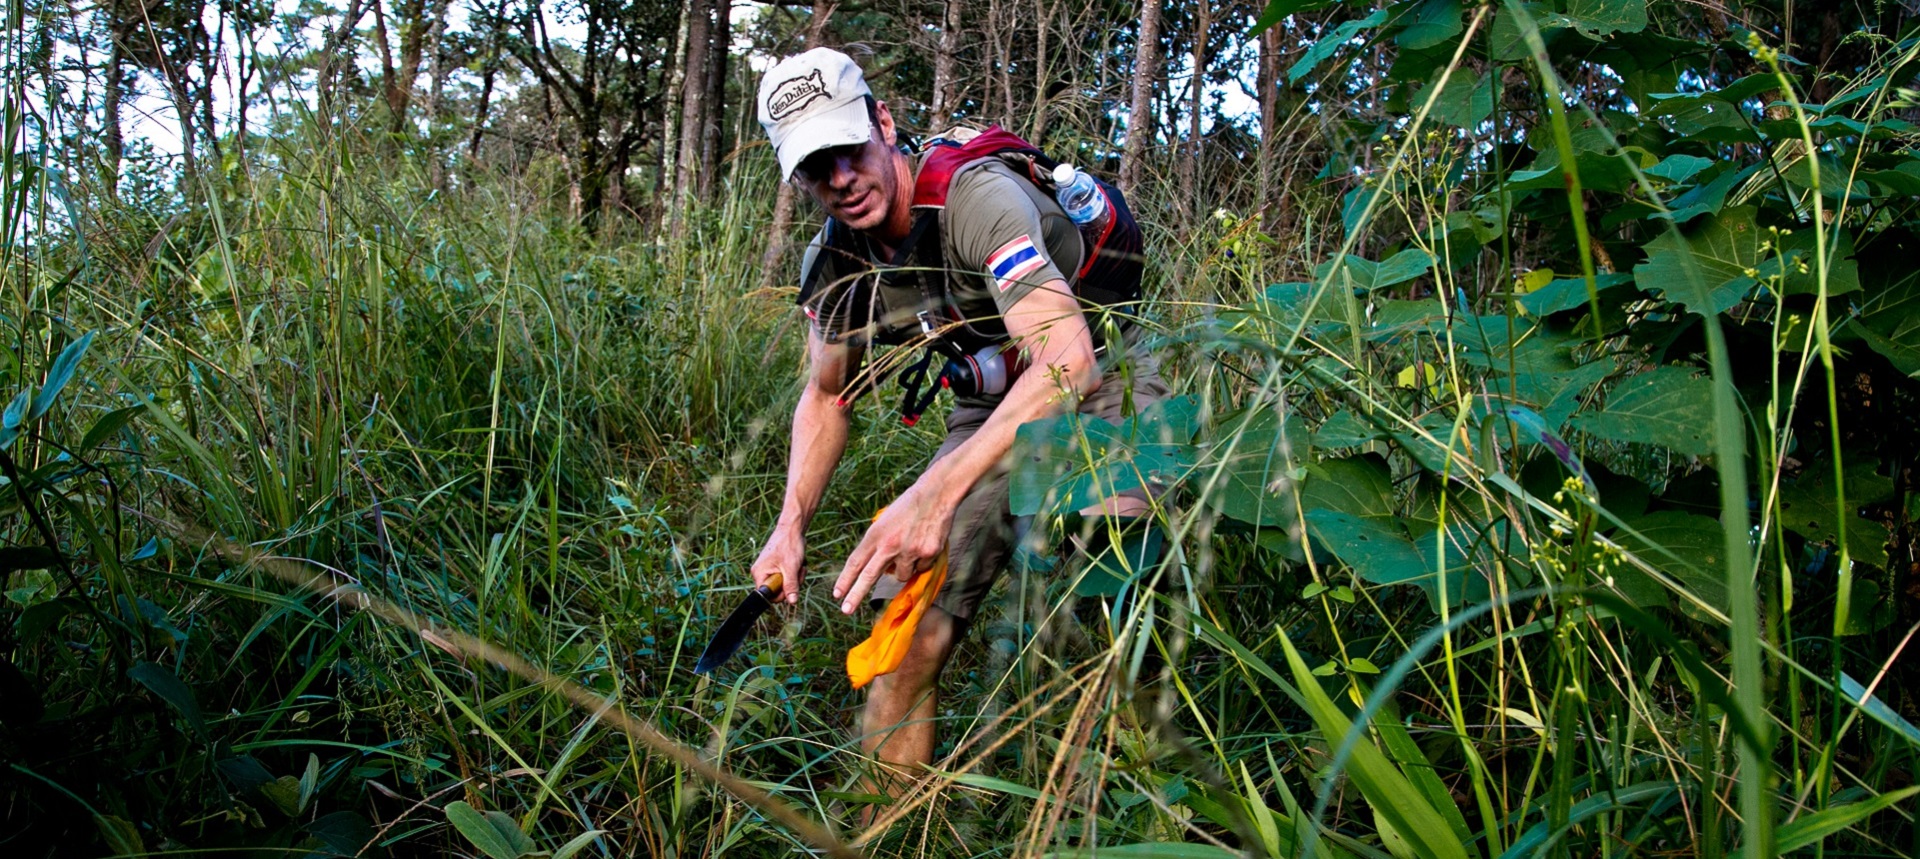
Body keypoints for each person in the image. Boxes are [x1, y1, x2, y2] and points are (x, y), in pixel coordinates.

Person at [748, 47, 1168, 797]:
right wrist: (790, 524)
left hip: (1110, 376)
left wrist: (934, 495)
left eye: (848, 149)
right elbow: (825, 396)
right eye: (816, 166)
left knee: (1119, 606)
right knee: (904, 619)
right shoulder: (836, 263)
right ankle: (886, 823)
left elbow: (1070, 359)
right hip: (997, 392)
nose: (840, 179)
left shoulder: (975, 199)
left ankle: (1150, 812)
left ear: (884, 122)